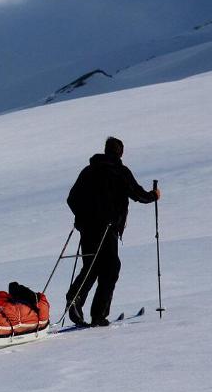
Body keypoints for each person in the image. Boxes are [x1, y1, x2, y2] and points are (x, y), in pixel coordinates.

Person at [64, 137, 160, 327]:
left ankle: (76, 301)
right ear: (120, 153)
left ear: (105, 150)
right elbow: (137, 194)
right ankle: (97, 314)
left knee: (92, 266)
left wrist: (83, 218)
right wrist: (153, 196)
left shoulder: (89, 170)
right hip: (107, 228)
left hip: (87, 229)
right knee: (110, 268)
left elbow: (72, 198)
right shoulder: (119, 171)